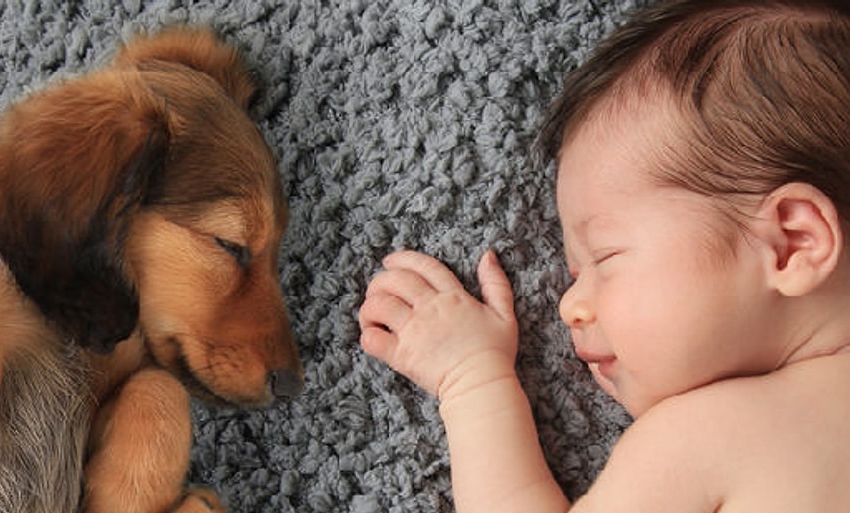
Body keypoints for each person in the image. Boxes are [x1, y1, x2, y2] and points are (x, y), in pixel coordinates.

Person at [357, 0, 850, 511]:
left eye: (606, 257)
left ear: (792, 243)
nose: (570, 304)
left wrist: (472, 379)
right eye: (575, 270)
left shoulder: (709, 435)